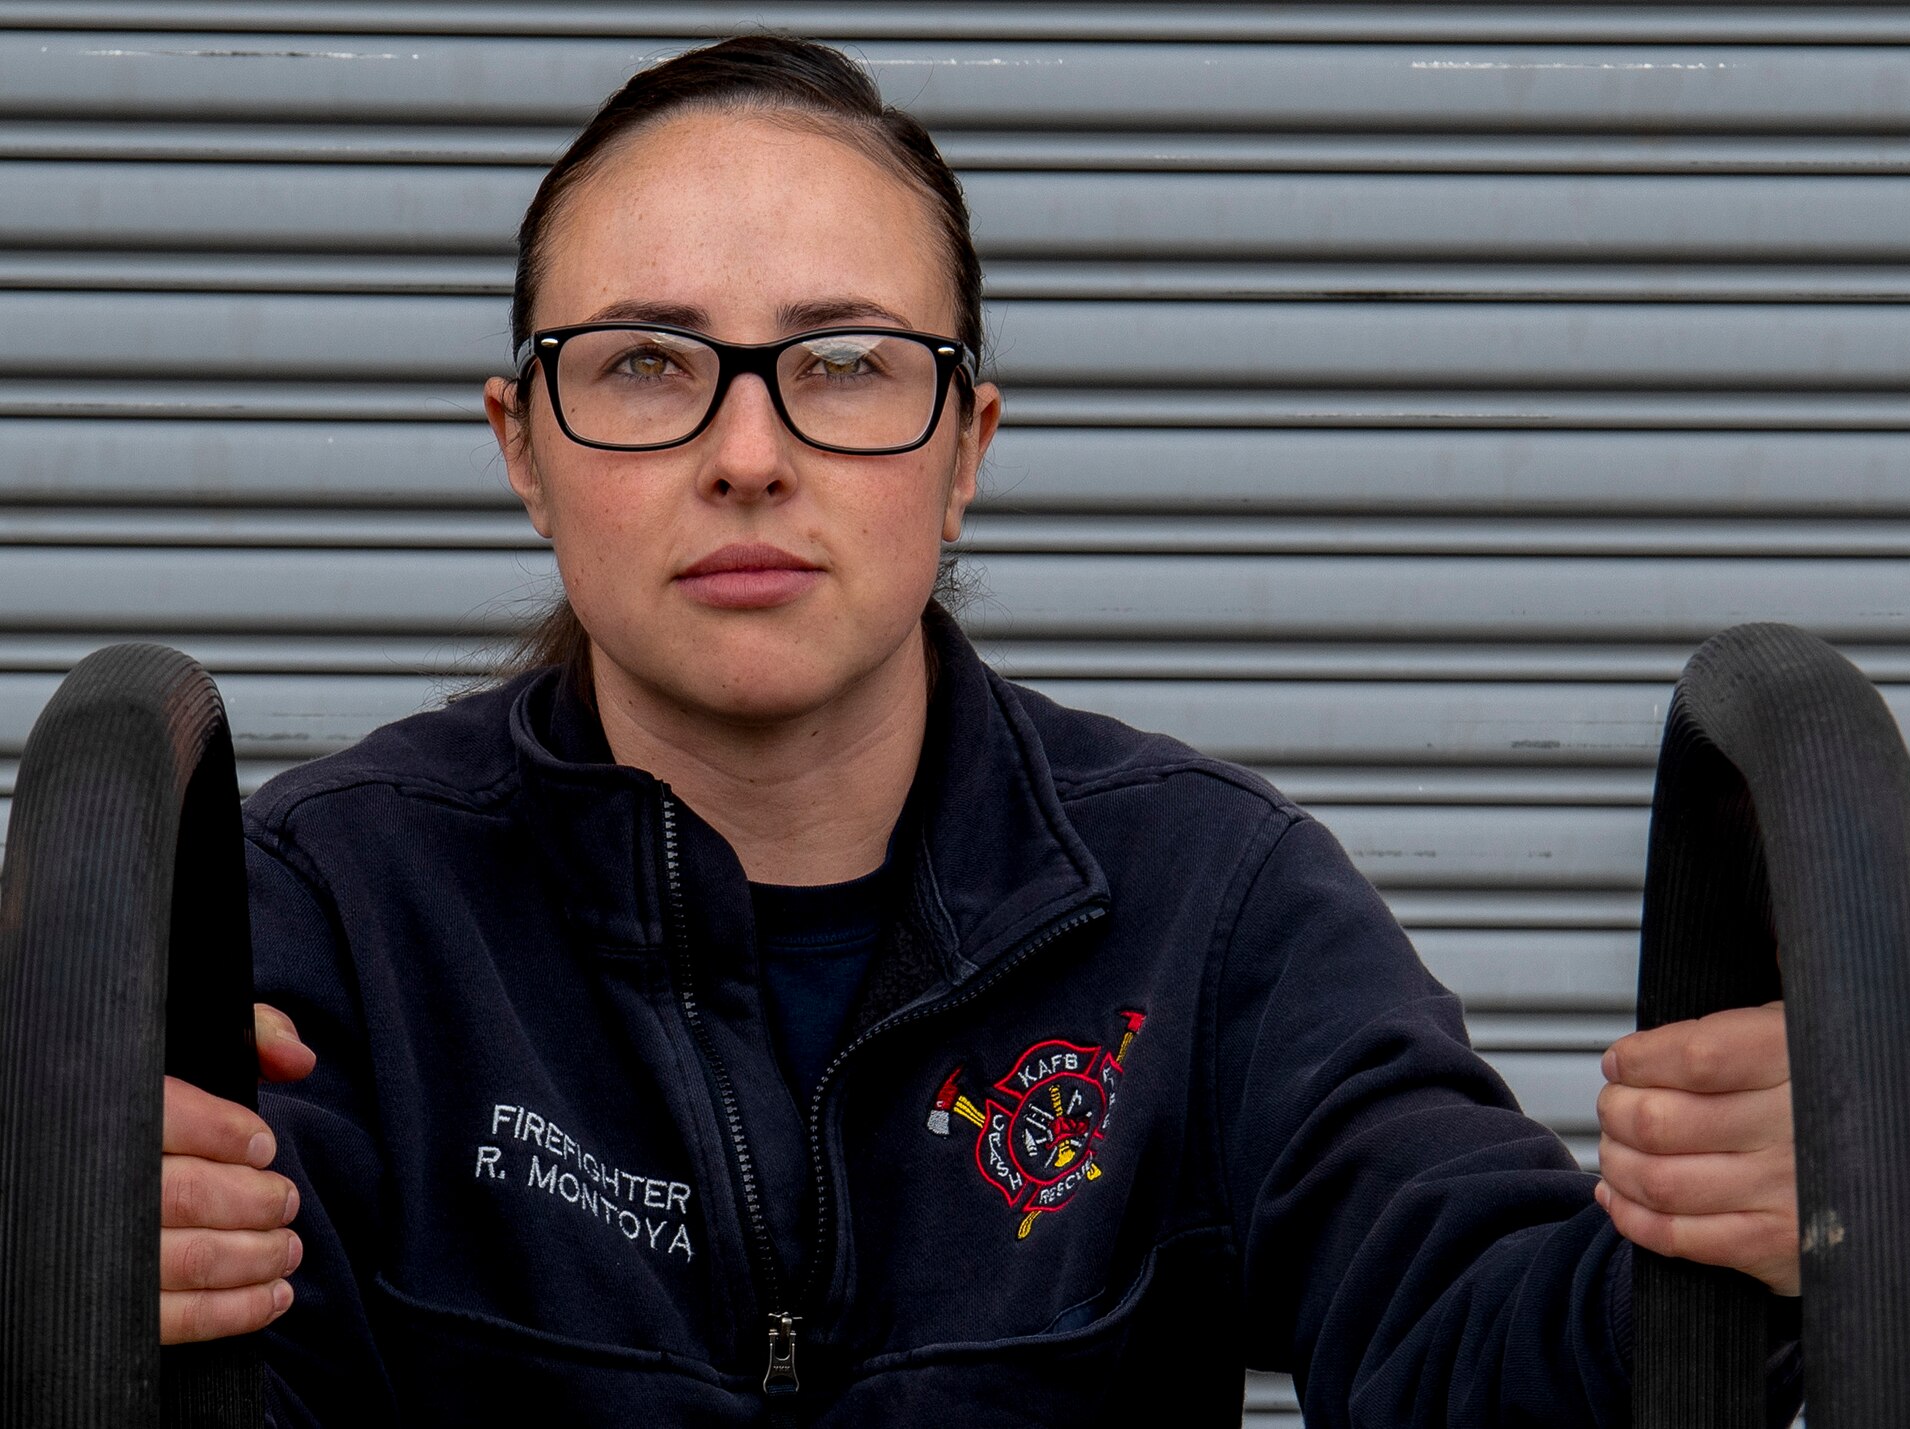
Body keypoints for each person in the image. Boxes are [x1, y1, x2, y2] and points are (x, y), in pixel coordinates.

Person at [157, 35, 1803, 1425]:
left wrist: (1709, 1248)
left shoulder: (1206, 901)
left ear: (963, 449)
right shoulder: (334, 906)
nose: (747, 451)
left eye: (848, 361)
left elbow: (1470, 1325)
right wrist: (89, 1247)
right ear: (524, 445)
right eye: (649, 363)